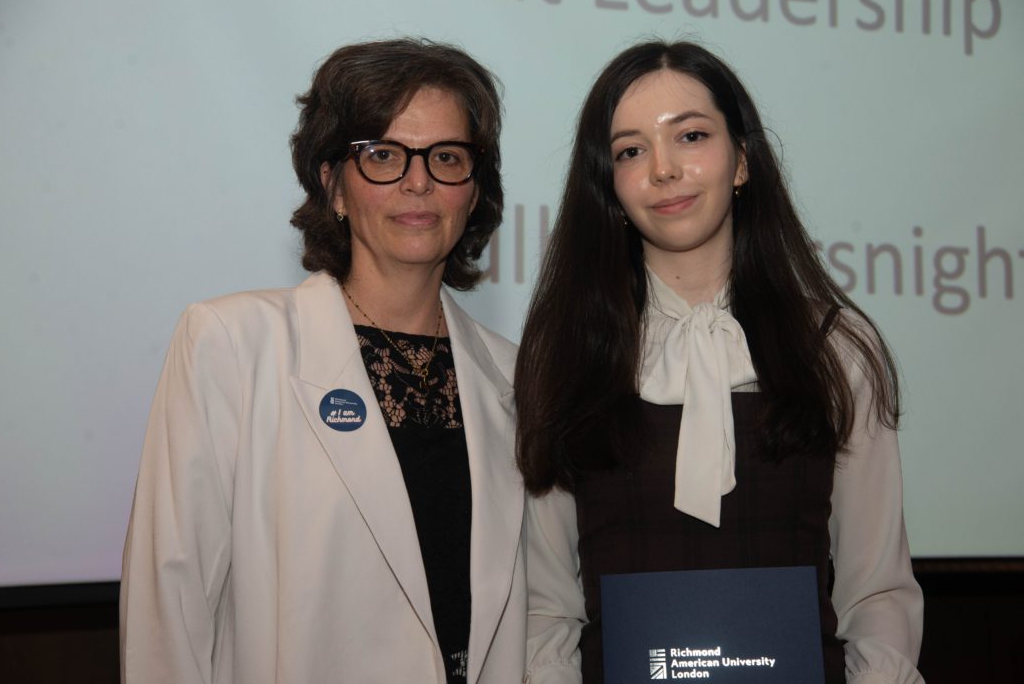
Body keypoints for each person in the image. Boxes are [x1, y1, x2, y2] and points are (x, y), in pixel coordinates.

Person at [120, 39, 525, 684]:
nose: (418, 181)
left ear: (474, 192)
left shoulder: (516, 377)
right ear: (333, 183)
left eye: (448, 157)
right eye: (384, 155)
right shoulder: (231, 342)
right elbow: (168, 606)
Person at [517, 40, 924, 684]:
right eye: (630, 151)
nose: (663, 170)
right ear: (609, 186)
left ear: (740, 160)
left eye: (692, 136)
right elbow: (546, 610)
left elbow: (877, 595)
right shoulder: (564, 356)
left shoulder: (837, 347)